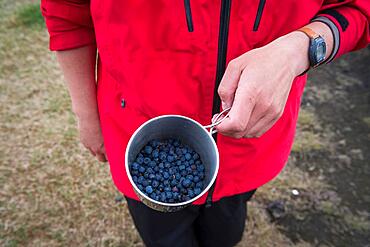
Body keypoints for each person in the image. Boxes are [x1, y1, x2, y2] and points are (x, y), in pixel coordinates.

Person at [41, 0, 369, 246]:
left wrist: (300, 48)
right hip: (134, 135)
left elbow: (357, 9)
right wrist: (86, 115)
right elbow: (66, 12)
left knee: (225, 234)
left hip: (249, 151)